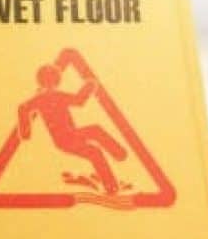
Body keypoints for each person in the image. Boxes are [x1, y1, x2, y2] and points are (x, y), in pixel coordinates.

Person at [17, 63, 128, 195]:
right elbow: (79, 100)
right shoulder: (49, 97)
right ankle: (119, 154)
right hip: (66, 136)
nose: (51, 85)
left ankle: (111, 187)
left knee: (95, 152)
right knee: (95, 131)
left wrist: (26, 132)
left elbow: (23, 108)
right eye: (50, 81)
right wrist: (90, 85)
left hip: (65, 139)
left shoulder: (45, 98)